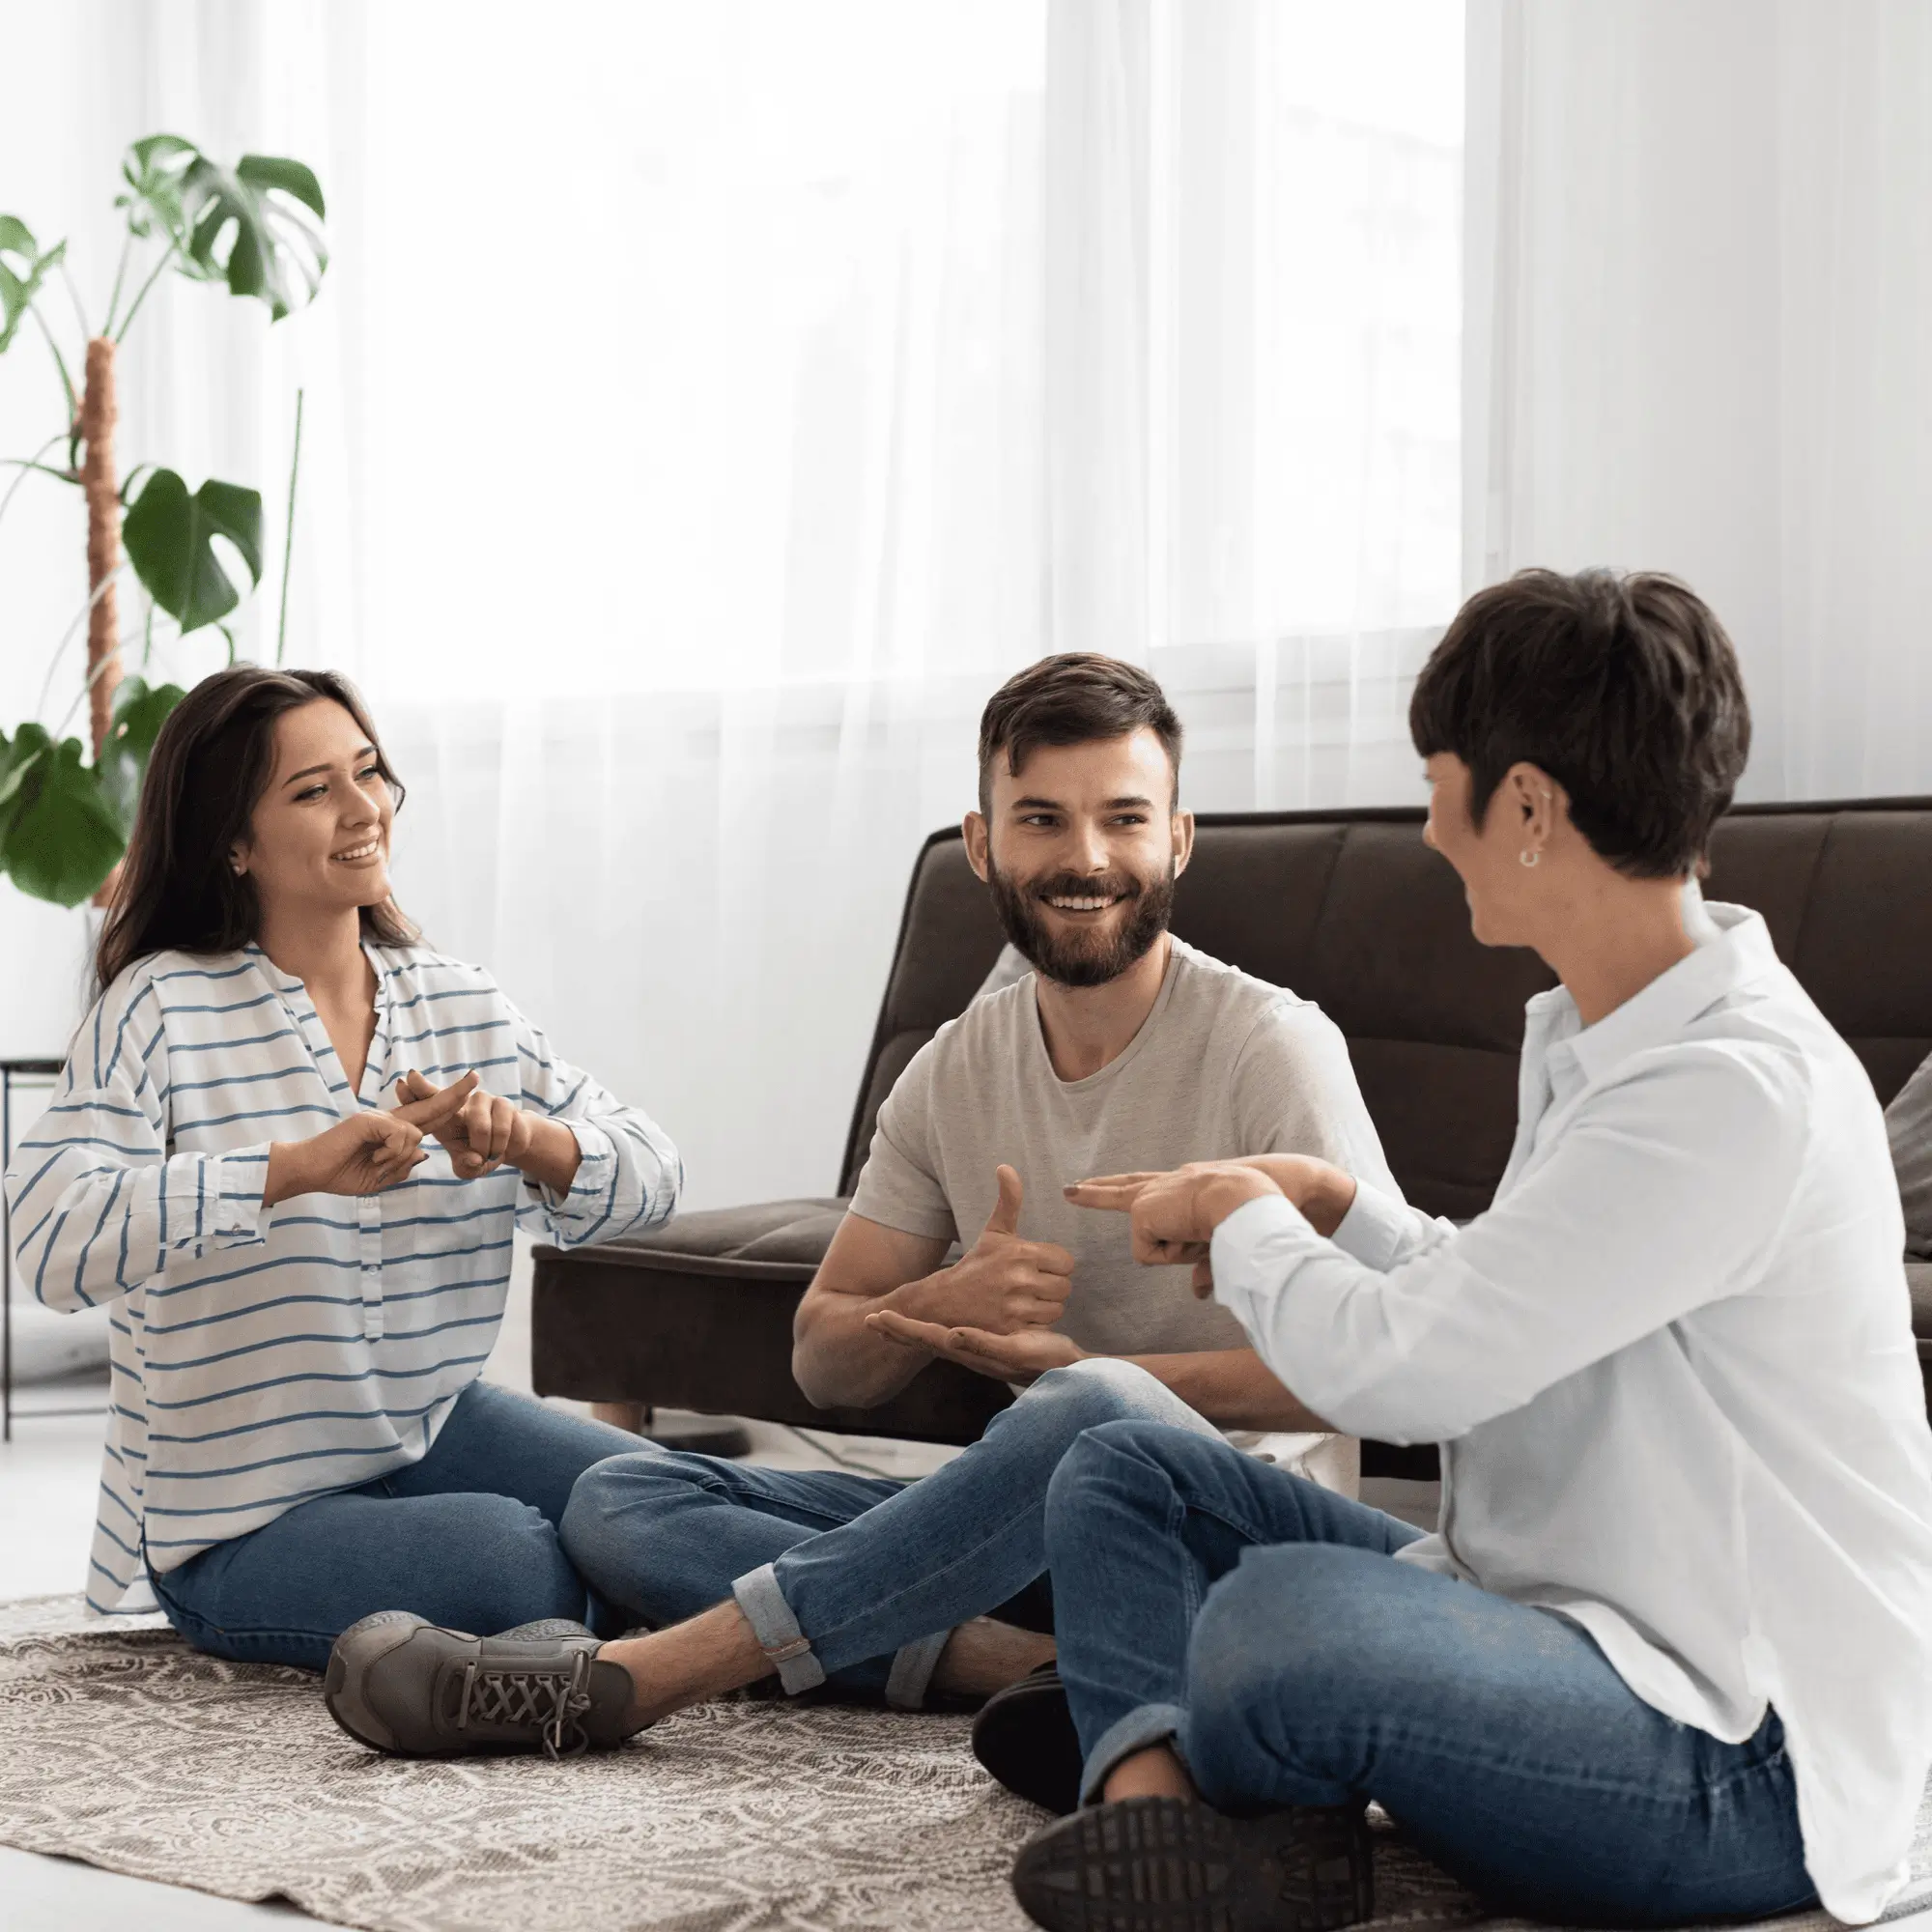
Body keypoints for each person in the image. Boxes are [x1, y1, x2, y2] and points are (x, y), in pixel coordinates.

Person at [994, 570, 1932, 1932]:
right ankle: (1166, 1815)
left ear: (1533, 807)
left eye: (1444, 782)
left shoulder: (1730, 1089)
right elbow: (1519, 1298)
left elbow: (1405, 1377)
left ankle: (1170, 1733)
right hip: (1554, 1618)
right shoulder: (1610, 1040)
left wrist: (1243, 1219)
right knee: (1121, 1460)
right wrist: (1339, 1206)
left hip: (1744, 1758)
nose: (1432, 824)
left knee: (1279, 1622)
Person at [322, 651, 1398, 1779]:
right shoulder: (954, 1067)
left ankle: (645, 1678)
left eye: (1122, 818)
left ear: (1175, 839)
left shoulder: (1269, 1046)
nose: (1085, 857)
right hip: (1025, 1535)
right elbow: (824, 1360)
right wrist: (924, 1305)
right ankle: (1015, 1660)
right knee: (624, 1494)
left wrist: (1088, 1367)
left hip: (1218, 1540)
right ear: (983, 843)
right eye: (1041, 818)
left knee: (1096, 1402)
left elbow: (1371, 1361)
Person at [3, 668, 680, 1669]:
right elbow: (46, 1241)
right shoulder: (159, 1008)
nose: (363, 806)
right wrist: (285, 1170)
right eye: (312, 789)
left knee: (663, 1499)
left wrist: (525, 1139)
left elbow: (655, 1176)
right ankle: (717, 1616)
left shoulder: (461, 1003)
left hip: (436, 1427)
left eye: (368, 772)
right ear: (233, 841)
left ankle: (940, 1622)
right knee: (510, 1561)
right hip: (237, 1521)